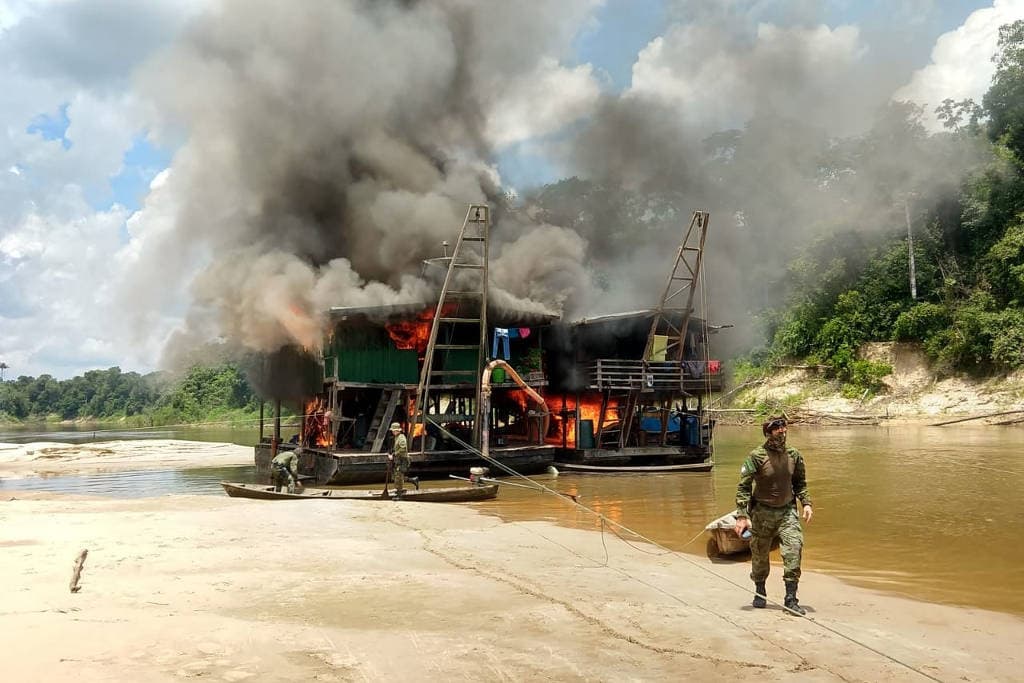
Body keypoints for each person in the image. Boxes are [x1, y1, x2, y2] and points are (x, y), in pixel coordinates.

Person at [733, 416, 813, 615]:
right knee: (760, 557)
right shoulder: (756, 456)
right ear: (768, 433)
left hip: (787, 512)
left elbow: (800, 483)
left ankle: (791, 599)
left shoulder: (794, 455)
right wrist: (742, 515)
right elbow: (743, 487)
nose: (783, 431)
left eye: (784, 428)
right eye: (778, 429)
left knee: (794, 550)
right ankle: (760, 590)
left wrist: (807, 504)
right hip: (762, 514)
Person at [387, 422, 413, 499]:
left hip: (403, 460)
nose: (392, 432)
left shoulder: (401, 438)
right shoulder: (396, 437)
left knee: (399, 476)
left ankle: (399, 495)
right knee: (396, 475)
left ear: (397, 431)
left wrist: (394, 455)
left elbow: (403, 448)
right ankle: (413, 480)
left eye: (393, 430)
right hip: (398, 460)